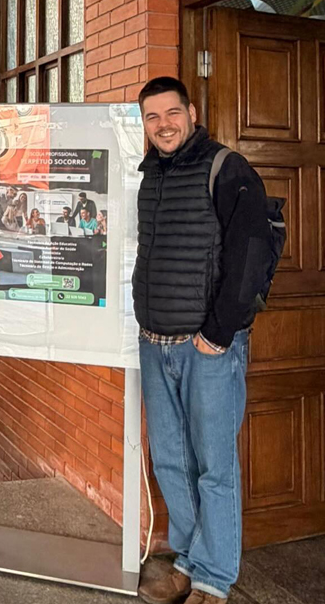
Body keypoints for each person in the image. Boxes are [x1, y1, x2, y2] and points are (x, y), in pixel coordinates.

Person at [134, 77, 272, 604]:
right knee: (170, 459)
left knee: (214, 465)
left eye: (172, 113)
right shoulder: (151, 175)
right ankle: (189, 561)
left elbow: (251, 252)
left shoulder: (226, 167)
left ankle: (214, 578)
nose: (164, 125)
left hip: (206, 346)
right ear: (144, 123)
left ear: (191, 112)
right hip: (155, 341)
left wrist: (218, 334)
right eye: (153, 117)